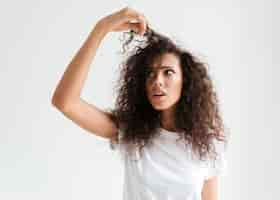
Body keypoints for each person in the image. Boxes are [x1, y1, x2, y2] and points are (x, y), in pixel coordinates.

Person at [51, 6, 229, 200]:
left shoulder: (208, 143)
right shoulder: (131, 131)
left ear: (186, 82)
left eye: (167, 72)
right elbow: (65, 102)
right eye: (150, 74)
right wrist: (100, 29)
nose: (157, 81)